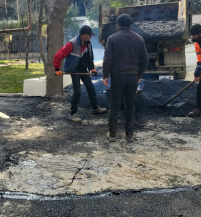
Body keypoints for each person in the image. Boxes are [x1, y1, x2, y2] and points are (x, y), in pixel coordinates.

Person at [102, 14, 148, 142]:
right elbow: (145, 59)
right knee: (130, 105)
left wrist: (105, 75)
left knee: (114, 105)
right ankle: (129, 135)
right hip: (132, 77)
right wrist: (139, 75)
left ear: (118, 25)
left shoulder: (112, 38)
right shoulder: (139, 39)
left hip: (117, 77)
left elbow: (107, 59)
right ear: (130, 25)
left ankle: (112, 134)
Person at [54, 25, 107, 122]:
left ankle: (95, 108)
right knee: (77, 92)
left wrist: (92, 69)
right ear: (83, 35)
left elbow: (90, 58)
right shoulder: (72, 44)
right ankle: (72, 114)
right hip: (74, 70)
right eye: (89, 35)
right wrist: (57, 69)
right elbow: (58, 55)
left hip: (83, 70)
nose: (91, 37)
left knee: (90, 88)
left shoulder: (88, 44)